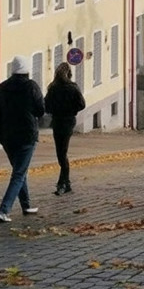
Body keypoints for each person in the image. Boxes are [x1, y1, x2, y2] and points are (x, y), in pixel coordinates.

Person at [0, 55, 45, 222]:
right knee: (19, 173)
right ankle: (4, 210)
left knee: (19, 170)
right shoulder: (32, 86)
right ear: (26, 71)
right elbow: (41, 110)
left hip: (7, 137)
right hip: (27, 136)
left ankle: (26, 205)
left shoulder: (1, 89)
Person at [44, 62, 86, 196]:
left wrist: (55, 111)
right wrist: (72, 110)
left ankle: (63, 183)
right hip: (68, 120)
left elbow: (46, 106)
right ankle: (65, 183)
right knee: (63, 152)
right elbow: (82, 104)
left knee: (61, 152)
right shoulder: (73, 88)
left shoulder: (52, 88)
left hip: (57, 121)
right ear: (69, 74)